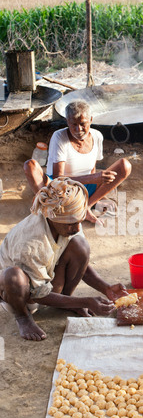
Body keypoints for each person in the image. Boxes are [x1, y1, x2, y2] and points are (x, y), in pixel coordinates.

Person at [0, 177, 128, 341]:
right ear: (53, 219)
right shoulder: (30, 243)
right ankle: (22, 317)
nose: (76, 228)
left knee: (80, 245)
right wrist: (86, 301)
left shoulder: (67, 221)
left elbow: (81, 262)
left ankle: (67, 301)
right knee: (13, 276)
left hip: (42, 278)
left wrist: (106, 288)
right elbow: (39, 294)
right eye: (71, 224)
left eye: (79, 222)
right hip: (16, 292)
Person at [24, 100, 132, 224]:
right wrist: (94, 178)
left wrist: (95, 186)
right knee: (30, 165)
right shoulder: (59, 137)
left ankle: (86, 206)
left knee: (125, 166)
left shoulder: (97, 136)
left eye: (82, 124)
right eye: (73, 124)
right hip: (60, 189)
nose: (78, 129)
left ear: (91, 120)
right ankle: (46, 205)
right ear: (67, 122)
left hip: (85, 187)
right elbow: (58, 179)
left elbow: (92, 168)